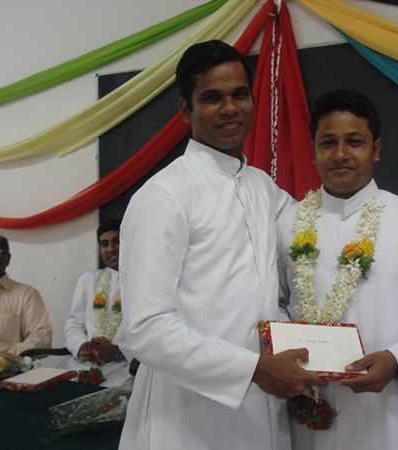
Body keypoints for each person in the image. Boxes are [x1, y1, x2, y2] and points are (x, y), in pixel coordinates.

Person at [118, 40, 324, 450]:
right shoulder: (163, 195)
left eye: (240, 94)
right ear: (186, 110)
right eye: (212, 98)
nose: (230, 108)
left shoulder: (261, 186)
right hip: (189, 415)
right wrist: (252, 370)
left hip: (263, 407)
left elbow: (317, 228)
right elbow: (146, 329)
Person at [277, 89, 398, 450]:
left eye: (354, 142)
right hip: (307, 412)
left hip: (387, 418)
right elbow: (274, 302)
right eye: (328, 143)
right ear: (313, 151)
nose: (340, 154)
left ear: (376, 149)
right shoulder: (287, 223)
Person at [63, 219, 132, 387]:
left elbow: (152, 332)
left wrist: (119, 351)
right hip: (84, 365)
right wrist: (81, 346)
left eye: (117, 242)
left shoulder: (144, 282)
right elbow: (73, 323)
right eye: (104, 244)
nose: (111, 249)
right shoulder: (88, 280)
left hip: (126, 367)